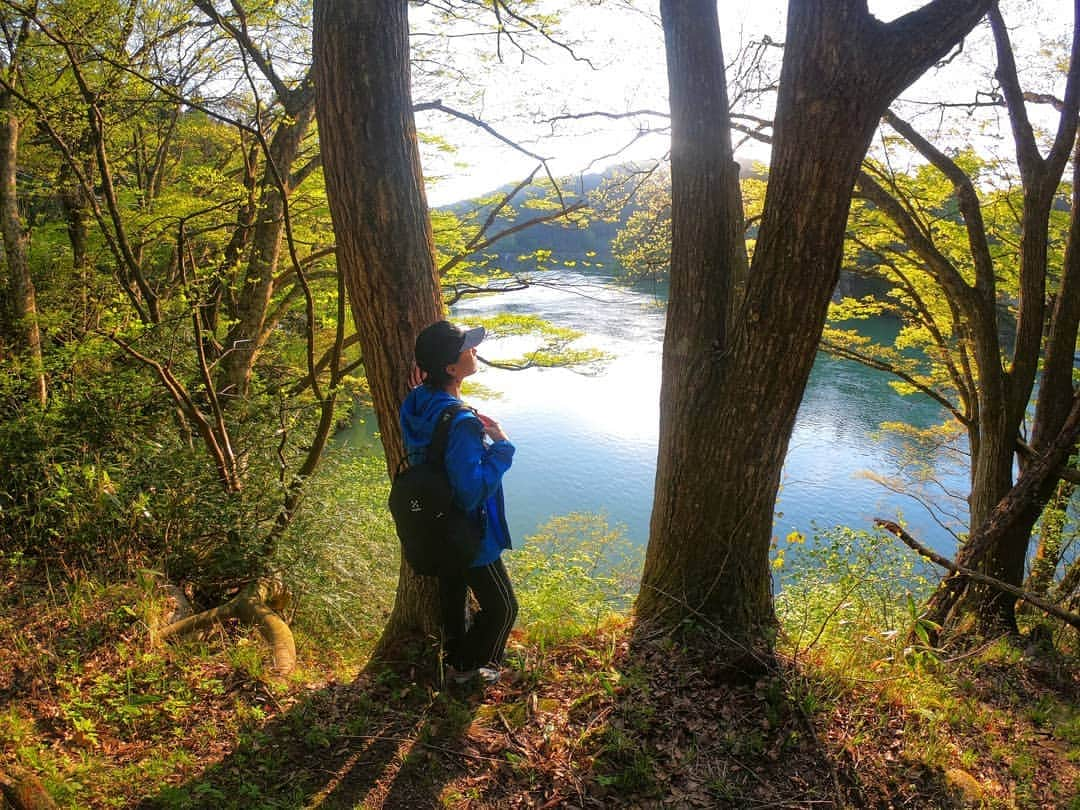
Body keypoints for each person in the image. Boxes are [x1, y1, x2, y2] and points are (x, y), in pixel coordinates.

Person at [400, 320, 518, 685]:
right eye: (467, 348)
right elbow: (470, 491)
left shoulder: (417, 400)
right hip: (469, 532)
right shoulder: (463, 423)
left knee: (452, 595)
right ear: (450, 368)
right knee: (503, 608)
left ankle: (454, 660)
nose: (475, 350)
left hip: (435, 524)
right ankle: (473, 670)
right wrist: (501, 447)